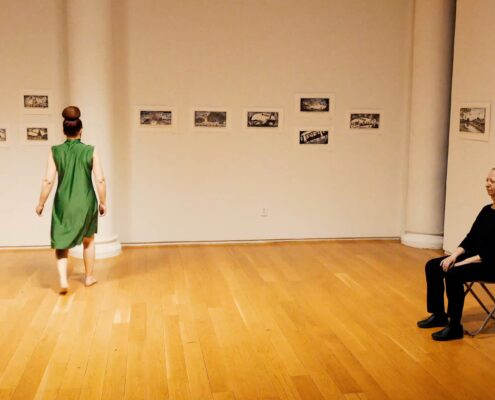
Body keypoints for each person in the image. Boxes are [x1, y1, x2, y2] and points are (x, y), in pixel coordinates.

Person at [417, 168, 495, 341]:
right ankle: (439, 315)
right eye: (487, 180)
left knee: (454, 274)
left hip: (491, 264)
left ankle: (454, 326)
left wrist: (462, 263)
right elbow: (471, 238)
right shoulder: (486, 210)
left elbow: (491, 253)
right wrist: (453, 256)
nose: (487, 184)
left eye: (492, 181)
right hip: (475, 257)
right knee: (433, 266)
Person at [36, 106, 106, 294]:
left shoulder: (55, 151)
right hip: (86, 201)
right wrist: (102, 201)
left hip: (63, 203)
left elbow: (48, 180)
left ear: (63, 130)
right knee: (88, 240)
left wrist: (41, 203)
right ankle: (89, 277)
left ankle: (62, 280)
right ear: (81, 130)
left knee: (61, 241)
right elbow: (100, 179)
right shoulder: (90, 151)